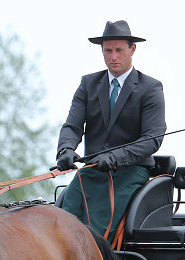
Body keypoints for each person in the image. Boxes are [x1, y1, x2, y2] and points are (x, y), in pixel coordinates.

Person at [56, 20, 166, 242]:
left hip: (129, 173)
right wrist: (66, 149)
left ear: (132, 50)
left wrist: (116, 157)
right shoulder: (88, 84)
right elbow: (73, 125)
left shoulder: (151, 88)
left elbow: (152, 139)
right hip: (92, 170)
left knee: (94, 233)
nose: (113, 57)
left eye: (119, 50)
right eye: (108, 51)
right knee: (61, 225)